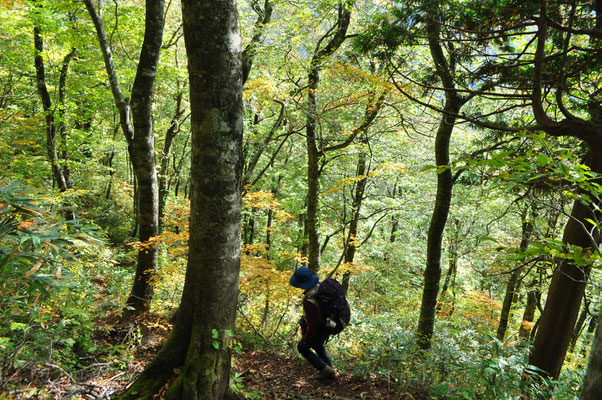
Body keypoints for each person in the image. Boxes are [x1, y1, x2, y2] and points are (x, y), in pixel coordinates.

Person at [289, 267, 336, 381]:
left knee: (302, 347)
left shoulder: (309, 301)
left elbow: (313, 324)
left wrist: (306, 338)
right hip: (328, 325)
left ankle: (325, 370)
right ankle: (330, 371)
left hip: (319, 328)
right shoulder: (319, 288)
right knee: (317, 345)